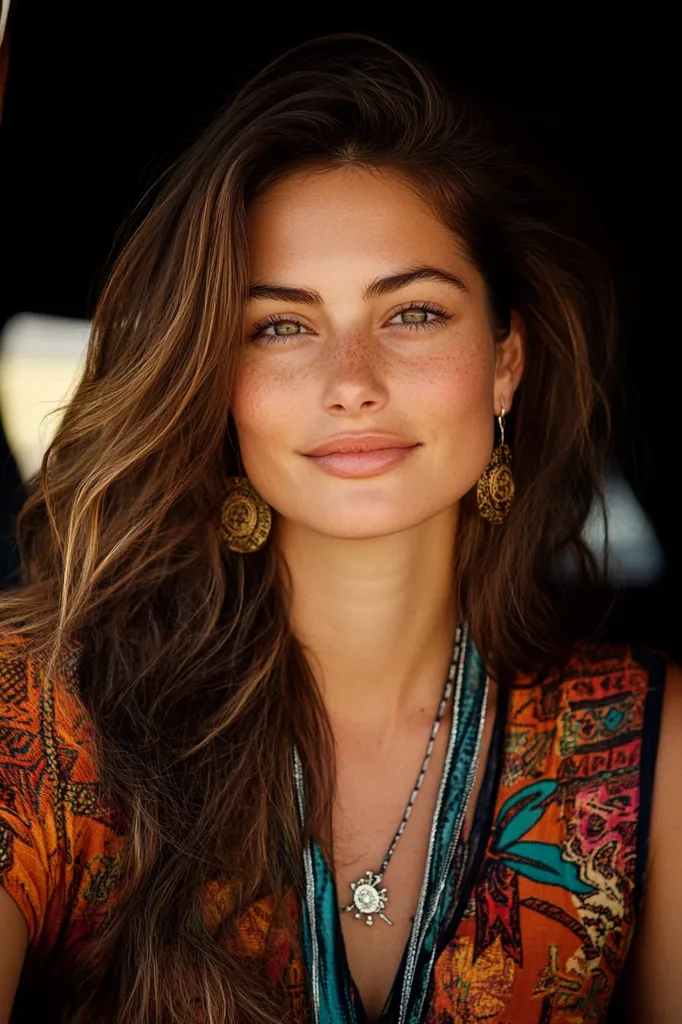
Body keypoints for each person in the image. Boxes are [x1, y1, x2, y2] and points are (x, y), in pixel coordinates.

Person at [0, 33, 680, 1024]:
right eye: (281, 326)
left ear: (505, 359)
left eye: (411, 314)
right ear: (215, 381)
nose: (351, 383)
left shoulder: (641, 748)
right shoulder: (42, 712)